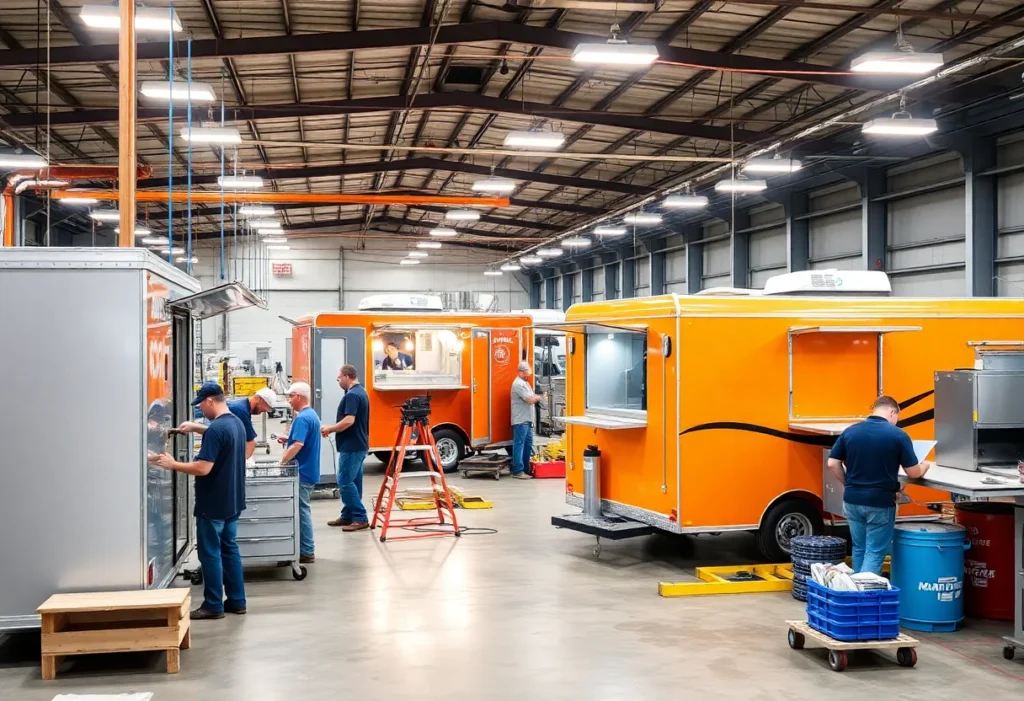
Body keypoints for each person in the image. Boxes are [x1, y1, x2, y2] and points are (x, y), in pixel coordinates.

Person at [150, 382, 246, 620]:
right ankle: (237, 600)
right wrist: (197, 428)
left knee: (210, 554)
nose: (201, 409)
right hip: (232, 501)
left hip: (212, 503)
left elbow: (203, 468)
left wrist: (173, 465)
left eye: (201, 405)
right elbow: (219, 435)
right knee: (229, 550)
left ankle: (213, 605)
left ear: (210, 401)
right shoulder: (236, 423)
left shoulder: (216, 430)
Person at [827, 395, 933, 575]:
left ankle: (855, 595)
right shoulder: (898, 435)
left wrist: (848, 483)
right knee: (874, 552)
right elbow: (913, 473)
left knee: (859, 547)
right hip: (880, 502)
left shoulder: (850, 432)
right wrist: (925, 465)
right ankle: (865, 595)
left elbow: (832, 463)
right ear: (892, 412)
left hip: (852, 500)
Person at [321, 365, 370, 531]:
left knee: (345, 482)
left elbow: (349, 420)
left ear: (347, 376)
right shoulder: (361, 392)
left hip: (352, 446)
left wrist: (330, 428)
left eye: (339, 377)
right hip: (359, 444)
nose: (338, 380)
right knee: (354, 482)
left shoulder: (352, 395)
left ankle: (360, 517)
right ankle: (348, 515)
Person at [278, 382, 321, 563]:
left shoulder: (302, 418)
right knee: (301, 509)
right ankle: (303, 548)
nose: (289, 400)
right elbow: (298, 441)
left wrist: (281, 462)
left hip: (302, 472)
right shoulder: (311, 415)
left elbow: (298, 445)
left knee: (301, 510)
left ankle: (306, 550)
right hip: (308, 469)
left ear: (299, 396)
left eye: (290, 396)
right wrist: (288, 439)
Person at [177, 386, 277, 459]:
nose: (264, 411)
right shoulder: (241, 411)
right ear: (259, 399)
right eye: (266, 407)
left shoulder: (241, 407)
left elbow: (217, 432)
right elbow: (250, 442)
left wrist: (195, 427)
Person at [510, 361, 544, 480]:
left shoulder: (525, 383)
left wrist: (536, 397)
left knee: (528, 444)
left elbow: (532, 397)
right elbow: (530, 399)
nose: (527, 375)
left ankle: (525, 469)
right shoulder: (518, 384)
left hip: (528, 420)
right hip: (520, 420)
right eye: (526, 373)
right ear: (520, 372)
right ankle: (518, 471)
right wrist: (539, 397)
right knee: (519, 444)